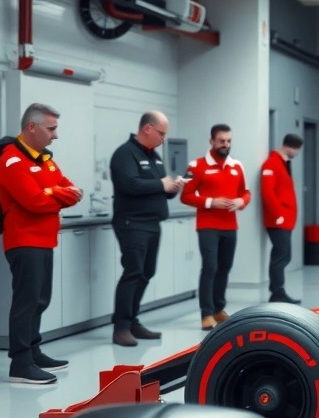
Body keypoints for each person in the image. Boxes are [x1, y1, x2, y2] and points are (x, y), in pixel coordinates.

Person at [0, 103, 82, 385]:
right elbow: (34, 202)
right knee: (27, 301)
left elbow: (73, 191)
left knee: (41, 300)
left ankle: (33, 351)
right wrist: (54, 193)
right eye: (51, 129)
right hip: (24, 241)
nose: (55, 135)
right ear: (31, 127)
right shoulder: (12, 161)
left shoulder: (46, 161)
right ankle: (20, 363)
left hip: (45, 240)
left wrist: (51, 191)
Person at [109, 111, 184, 347]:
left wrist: (171, 188)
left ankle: (133, 321)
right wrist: (161, 184)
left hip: (152, 224)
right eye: (161, 133)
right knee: (133, 272)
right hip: (133, 223)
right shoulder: (125, 153)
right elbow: (129, 184)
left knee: (146, 273)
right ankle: (121, 327)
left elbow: (159, 189)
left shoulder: (155, 157)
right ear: (147, 129)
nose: (164, 138)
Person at [181, 124, 250, 330]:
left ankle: (219, 309)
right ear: (212, 141)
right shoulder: (196, 166)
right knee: (210, 267)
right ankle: (206, 314)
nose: (225, 145)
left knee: (224, 268)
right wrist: (211, 202)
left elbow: (246, 192)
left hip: (230, 226)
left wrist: (241, 201)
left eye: (228, 141)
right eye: (221, 141)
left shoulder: (237, 166)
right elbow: (186, 196)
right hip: (208, 226)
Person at [262, 133, 303, 304]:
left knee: (284, 255)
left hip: (285, 220)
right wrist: (278, 215)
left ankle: (277, 291)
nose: (297, 153)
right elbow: (267, 192)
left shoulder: (283, 164)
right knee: (281, 256)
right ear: (291, 147)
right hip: (278, 220)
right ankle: (277, 292)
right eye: (297, 149)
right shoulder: (272, 164)